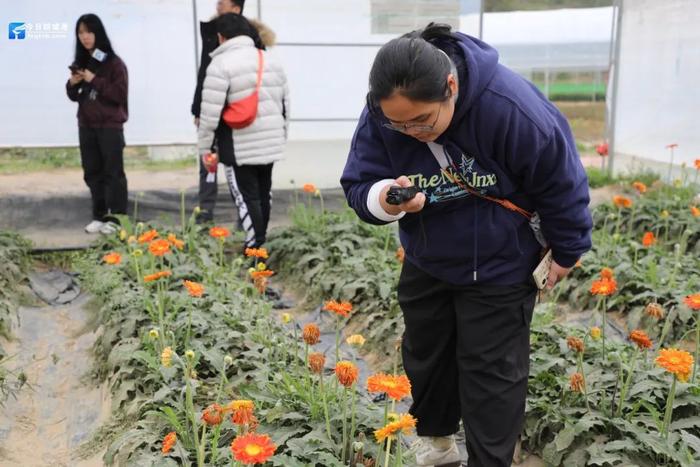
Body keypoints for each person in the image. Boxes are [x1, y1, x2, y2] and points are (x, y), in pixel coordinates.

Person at [341, 24, 592, 467]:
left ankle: (490, 461)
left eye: (422, 120)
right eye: (398, 123)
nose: (411, 131)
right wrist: (385, 198)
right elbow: (359, 182)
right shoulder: (382, 114)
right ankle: (437, 444)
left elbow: (561, 180)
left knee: (491, 372)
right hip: (428, 255)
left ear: (451, 87)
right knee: (427, 355)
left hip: (502, 262)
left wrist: (568, 251)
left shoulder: (509, 106)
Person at [198, 14, 288, 248]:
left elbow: (209, 114)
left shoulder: (220, 64)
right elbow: (285, 105)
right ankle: (260, 244)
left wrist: (205, 148)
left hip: (238, 144)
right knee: (262, 193)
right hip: (270, 140)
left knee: (246, 198)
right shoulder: (269, 59)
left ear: (221, 36)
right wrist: (282, 136)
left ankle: (254, 249)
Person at [66, 14, 128, 235]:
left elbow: (119, 95)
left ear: (98, 33)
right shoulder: (81, 62)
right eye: (81, 32)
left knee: (113, 173)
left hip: (110, 125)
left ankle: (118, 218)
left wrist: (94, 80)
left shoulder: (114, 63)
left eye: (89, 31)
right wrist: (72, 84)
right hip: (87, 124)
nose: (85, 37)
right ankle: (99, 215)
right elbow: (75, 96)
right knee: (92, 172)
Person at [191, 0, 246, 223]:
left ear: (236, 8)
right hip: (212, 108)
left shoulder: (250, 37)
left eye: (222, 3)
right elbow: (204, 73)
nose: (217, 7)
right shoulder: (213, 33)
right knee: (208, 161)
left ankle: (244, 216)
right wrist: (198, 109)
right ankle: (205, 212)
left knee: (239, 167)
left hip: (237, 113)